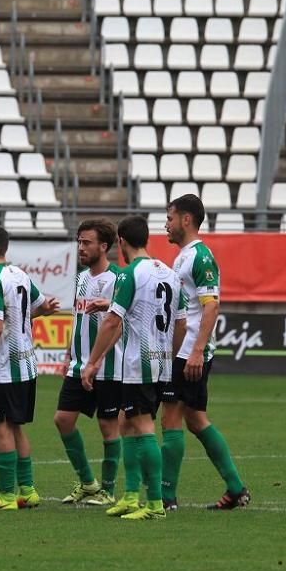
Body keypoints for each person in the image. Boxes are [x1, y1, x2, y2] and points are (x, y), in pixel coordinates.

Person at [82, 215, 184, 521]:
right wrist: (169, 355)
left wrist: (92, 362)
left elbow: (113, 321)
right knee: (126, 422)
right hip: (160, 361)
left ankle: (154, 503)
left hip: (138, 364)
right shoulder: (170, 273)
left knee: (142, 426)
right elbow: (181, 323)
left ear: (122, 243)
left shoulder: (129, 275)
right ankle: (130, 496)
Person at [0, 225, 60, 512]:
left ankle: (6, 497)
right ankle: (28, 491)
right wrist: (45, 310)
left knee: (2, 427)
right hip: (27, 364)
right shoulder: (20, 274)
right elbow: (39, 307)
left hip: (6, 366)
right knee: (16, 427)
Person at [164, 194, 250, 510]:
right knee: (196, 420)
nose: (166, 224)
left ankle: (166, 496)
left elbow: (211, 305)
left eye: (170, 218)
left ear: (186, 219)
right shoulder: (184, 256)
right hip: (187, 349)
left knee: (171, 418)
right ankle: (236, 488)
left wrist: (197, 351)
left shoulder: (199, 257)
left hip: (190, 351)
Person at [54, 219, 123, 506]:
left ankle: (107, 490)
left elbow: (120, 322)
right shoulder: (82, 278)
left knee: (108, 427)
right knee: (63, 420)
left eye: (87, 242)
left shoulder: (118, 278)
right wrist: (69, 354)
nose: (81, 247)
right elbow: (78, 318)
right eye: (79, 242)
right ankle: (88, 483)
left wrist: (98, 360)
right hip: (79, 364)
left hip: (108, 367)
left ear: (103, 246)